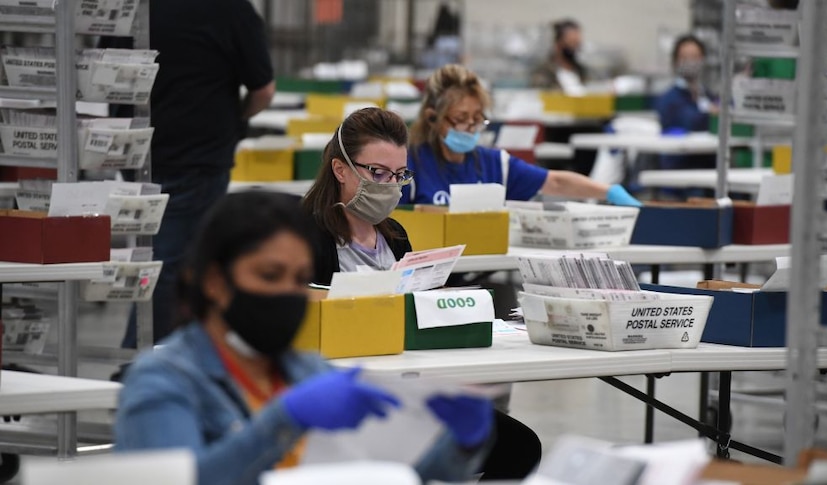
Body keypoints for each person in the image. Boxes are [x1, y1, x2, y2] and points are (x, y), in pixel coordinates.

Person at [114, 191, 495, 485]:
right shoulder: (164, 380)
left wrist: (460, 444)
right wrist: (285, 419)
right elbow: (182, 480)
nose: (287, 292)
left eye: (299, 280)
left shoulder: (304, 368)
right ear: (214, 282)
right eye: (269, 275)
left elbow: (387, 473)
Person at [302, 107, 543, 480]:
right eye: (378, 173)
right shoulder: (305, 234)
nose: (390, 184)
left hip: (408, 385)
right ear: (340, 169)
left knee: (519, 447)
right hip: (347, 393)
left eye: (399, 175)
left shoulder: (394, 235)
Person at [112, 0, 276, 349]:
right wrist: (237, 120)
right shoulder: (231, 10)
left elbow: (107, 72)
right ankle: (137, 361)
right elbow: (263, 90)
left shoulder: (134, 7)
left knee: (159, 258)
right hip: (200, 155)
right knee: (171, 264)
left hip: (134, 148)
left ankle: (154, 356)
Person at [402, 64, 641, 207]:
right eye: (460, 118)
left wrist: (608, 191)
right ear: (433, 118)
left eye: (477, 118)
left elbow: (555, 182)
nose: (470, 127)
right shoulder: (410, 166)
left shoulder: (494, 165)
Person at [654, 35, 718, 171]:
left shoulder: (707, 94)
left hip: (709, 163)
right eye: (685, 57)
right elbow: (691, 122)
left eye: (695, 57)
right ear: (675, 61)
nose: (691, 62)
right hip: (681, 165)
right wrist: (711, 114)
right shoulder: (669, 99)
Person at [530, 19, 588, 95]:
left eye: (577, 43)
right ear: (558, 43)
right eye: (571, 42)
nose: (575, 47)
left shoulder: (582, 72)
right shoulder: (544, 73)